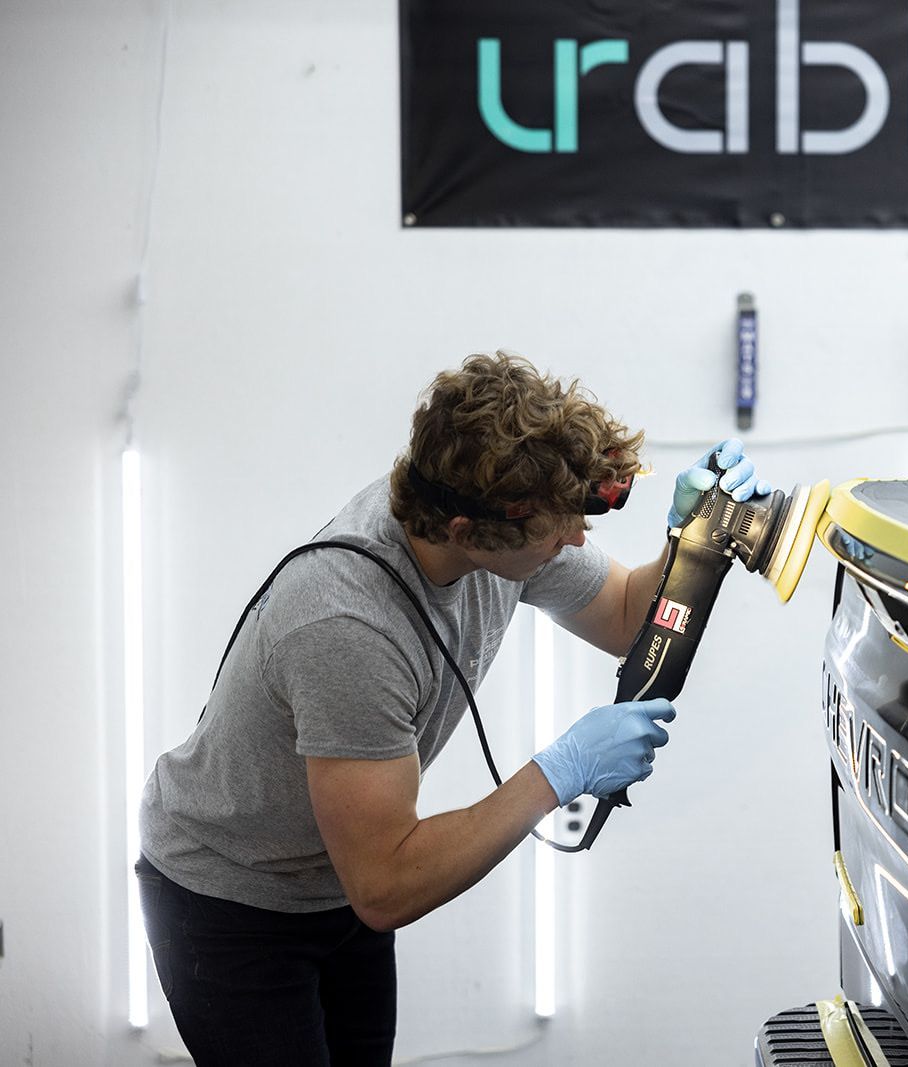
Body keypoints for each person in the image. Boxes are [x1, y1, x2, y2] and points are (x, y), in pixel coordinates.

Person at [135, 351, 770, 1065]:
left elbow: (627, 615)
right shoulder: (346, 623)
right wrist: (558, 772)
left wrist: (692, 545)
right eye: (558, 529)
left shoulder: (507, 517)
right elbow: (385, 885)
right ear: (467, 529)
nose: (576, 540)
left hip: (336, 886)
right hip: (230, 897)